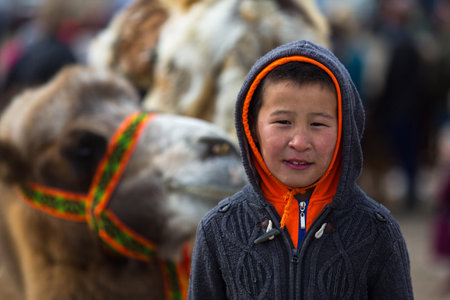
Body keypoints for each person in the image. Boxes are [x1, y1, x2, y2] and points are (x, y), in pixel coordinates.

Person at [187, 40, 413, 299]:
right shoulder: (218, 229)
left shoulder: (377, 232)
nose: (300, 142)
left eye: (318, 124)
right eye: (283, 122)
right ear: (252, 128)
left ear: (345, 132)